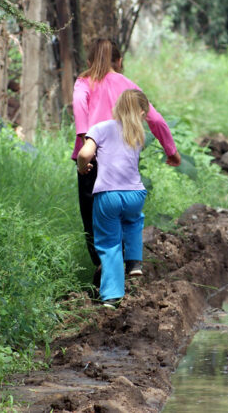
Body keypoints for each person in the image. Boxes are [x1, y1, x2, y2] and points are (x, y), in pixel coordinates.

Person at [72, 39, 180, 290]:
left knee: (92, 216)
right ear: (119, 62)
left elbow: (78, 106)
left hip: (89, 155)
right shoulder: (126, 84)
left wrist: (83, 137)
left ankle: (103, 266)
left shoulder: (83, 82)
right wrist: (171, 150)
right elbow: (155, 118)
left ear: (89, 62)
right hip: (123, 157)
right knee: (125, 210)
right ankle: (127, 262)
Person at [77, 90, 150, 307]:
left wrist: (83, 168)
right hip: (135, 194)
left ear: (116, 108)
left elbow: (84, 154)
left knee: (109, 244)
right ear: (142, 113)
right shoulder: (137, 134)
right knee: (133, 221)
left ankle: (112, 295)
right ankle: (135, 262)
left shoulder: (100, 128)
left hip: (108, 195)